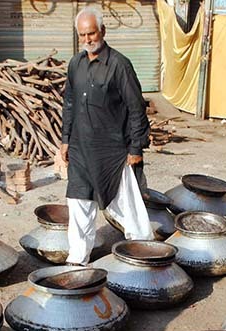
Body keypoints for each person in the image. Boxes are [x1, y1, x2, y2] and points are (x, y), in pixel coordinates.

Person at [60, 6, 154, 266]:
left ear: (102, 30)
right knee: (78, 202)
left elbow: (137, 108)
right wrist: (65, 139)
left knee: (127, 206)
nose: (87, 40)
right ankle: (78, 259)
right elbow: (69, 102)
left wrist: (136, 148)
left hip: (112, 151)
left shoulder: (119, 65)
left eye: (91, 33)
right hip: (79, 148)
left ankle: (143, 254)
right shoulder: (75, 64)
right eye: (82, 35)